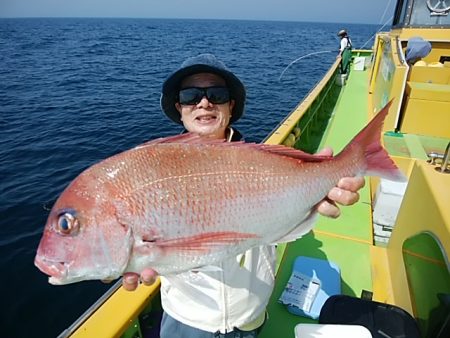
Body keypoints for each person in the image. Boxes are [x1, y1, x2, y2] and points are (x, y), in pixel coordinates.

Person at [122, 54, 365, 337]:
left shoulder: (262, 164)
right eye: (191, 96)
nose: (204, 102)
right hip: (188, 319)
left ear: (231, 104)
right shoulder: (153, 172)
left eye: (217, 94)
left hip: (251, 314)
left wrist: (316, 194)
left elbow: (285, 223)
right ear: (179, 107)